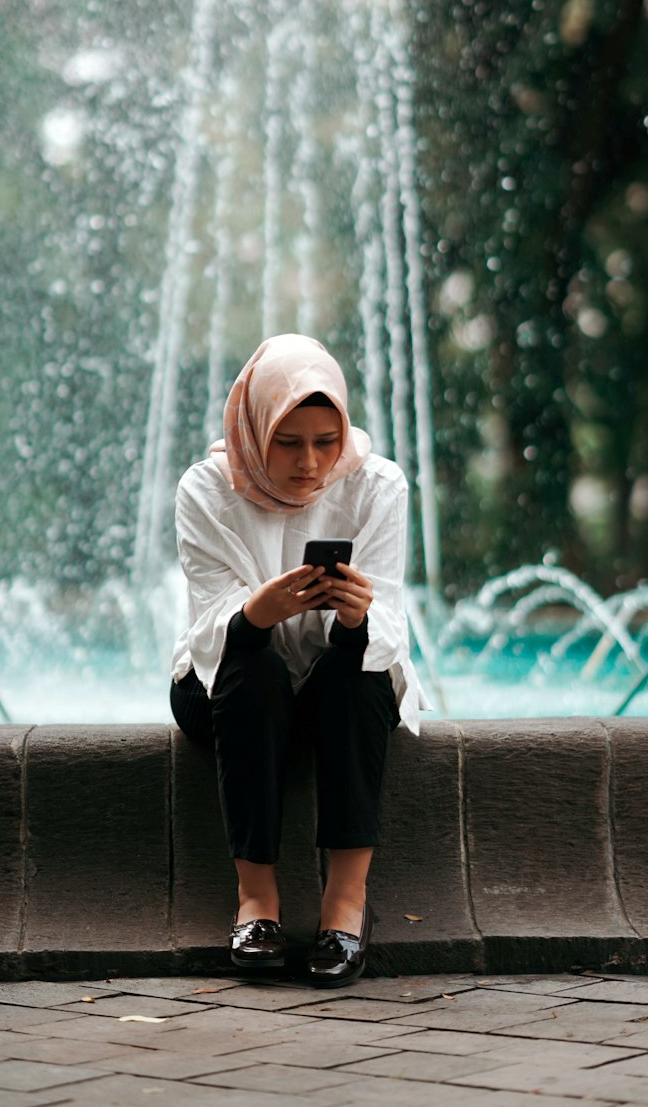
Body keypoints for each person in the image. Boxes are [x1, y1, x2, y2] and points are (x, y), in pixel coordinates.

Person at [170, 332, 426, 986]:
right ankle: (256, 901)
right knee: (250, 665)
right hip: (226, 689)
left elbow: (389, 628)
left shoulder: (378, 485)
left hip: (332, 694)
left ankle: (345, 904)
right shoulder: (206, 488)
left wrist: (356, 614)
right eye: (288, 442)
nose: (309, 463)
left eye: (325, 441)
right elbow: (210, 629)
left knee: (361, 668)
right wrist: (261, 610)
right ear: (255, 431)